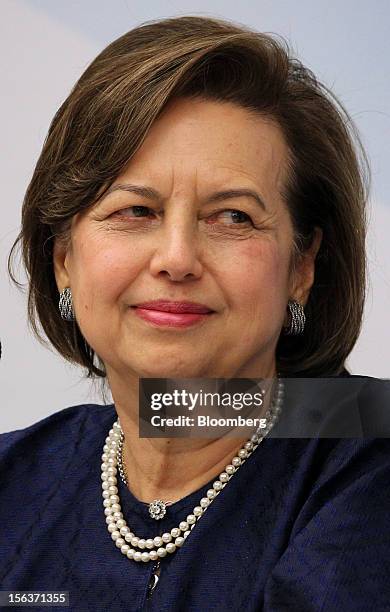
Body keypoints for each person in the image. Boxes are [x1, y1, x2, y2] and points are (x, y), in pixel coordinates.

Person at [1, 14, 390, 612]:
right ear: (62, 261)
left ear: (302, 266)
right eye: (134, 211)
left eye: (233, 217)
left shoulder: (368, 441)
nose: (177, 259)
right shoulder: (15, 476)